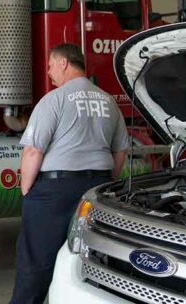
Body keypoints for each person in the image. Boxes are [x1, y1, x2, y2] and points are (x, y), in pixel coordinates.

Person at [10, 43, 130, 304]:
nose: (50, 72)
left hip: (54, 192)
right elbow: (120, 151)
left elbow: (32, 151)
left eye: (51, 65)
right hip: (97, 190)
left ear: (63, 63)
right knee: (90, 259)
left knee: (36, 264)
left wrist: (27, 191)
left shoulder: (54, 99)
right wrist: (106, 182)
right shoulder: (108, 100)